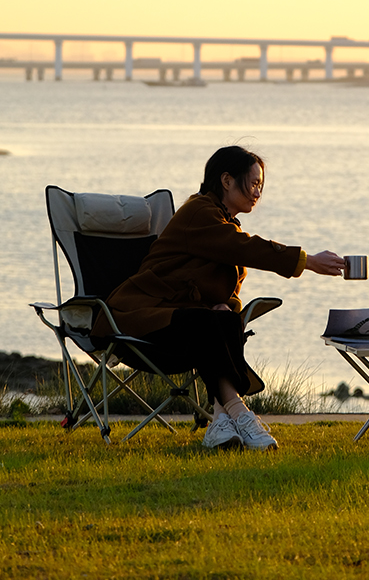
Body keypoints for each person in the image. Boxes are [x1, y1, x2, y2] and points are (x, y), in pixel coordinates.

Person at [93, 145, 345, 451]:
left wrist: (225, 305)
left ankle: (219, 422)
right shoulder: (199, 213)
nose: (258, 193)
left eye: (260, 186)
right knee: (208, 321)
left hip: (185, 326)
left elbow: (219, 279)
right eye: (253, 184)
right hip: (136, 319)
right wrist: (307, 261)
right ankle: (239, 412)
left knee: (223, 316)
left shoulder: (222, 221)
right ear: (226, 180)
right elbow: (244, 247)